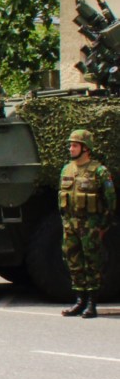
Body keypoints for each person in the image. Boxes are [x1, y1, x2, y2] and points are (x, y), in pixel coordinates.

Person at [59, 128, 116, 319]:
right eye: (70, 145)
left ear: (86, 148)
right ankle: (79, 301)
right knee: (73, 262)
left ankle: (92, 303)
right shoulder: (67, 170)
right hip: (71, 224)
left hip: (90, 224)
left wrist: (102, 225)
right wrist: (66, 222)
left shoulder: (100, 171)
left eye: (75, 145)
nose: (71, 149)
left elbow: (110, 201)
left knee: (92, 262)